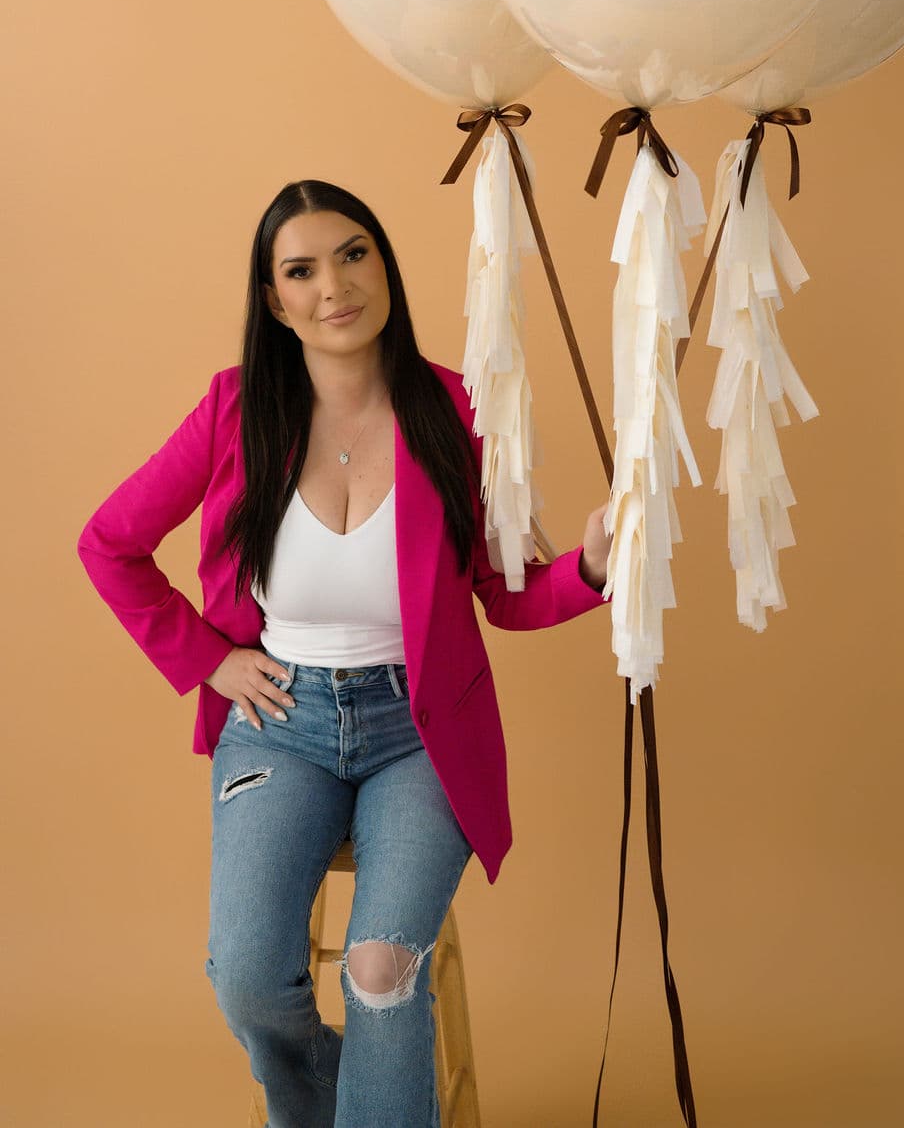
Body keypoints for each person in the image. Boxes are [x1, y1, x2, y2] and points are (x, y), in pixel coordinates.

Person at [77, 178, 610, 1128]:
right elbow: (109, 543)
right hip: (282, 727)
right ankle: (342, 1094)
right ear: (275, 301)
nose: (336, 285)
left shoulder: (458, 406)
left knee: (380, 969)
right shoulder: (235, 410)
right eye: (303, 269)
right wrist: (209, 660)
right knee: (245, 976)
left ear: (385, 265)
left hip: (421, 729)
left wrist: (597, 565)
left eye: (354, 253)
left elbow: (507, 597)